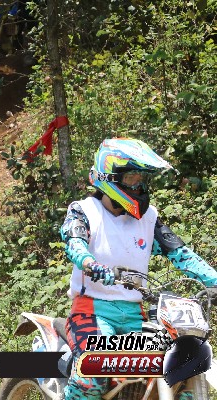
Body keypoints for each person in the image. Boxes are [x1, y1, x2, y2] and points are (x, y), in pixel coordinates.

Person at [60, 138, 217, 399]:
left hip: (136, 316)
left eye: (141, 178)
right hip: (93, 312)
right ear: (110, 177)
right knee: (93, 376)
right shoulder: (84, 210)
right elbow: (75, 244)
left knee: (178, 375)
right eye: (131, 178)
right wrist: (90, 264)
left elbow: (180, 254)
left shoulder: (148, 217)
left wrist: (213, 279)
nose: (138, 185)